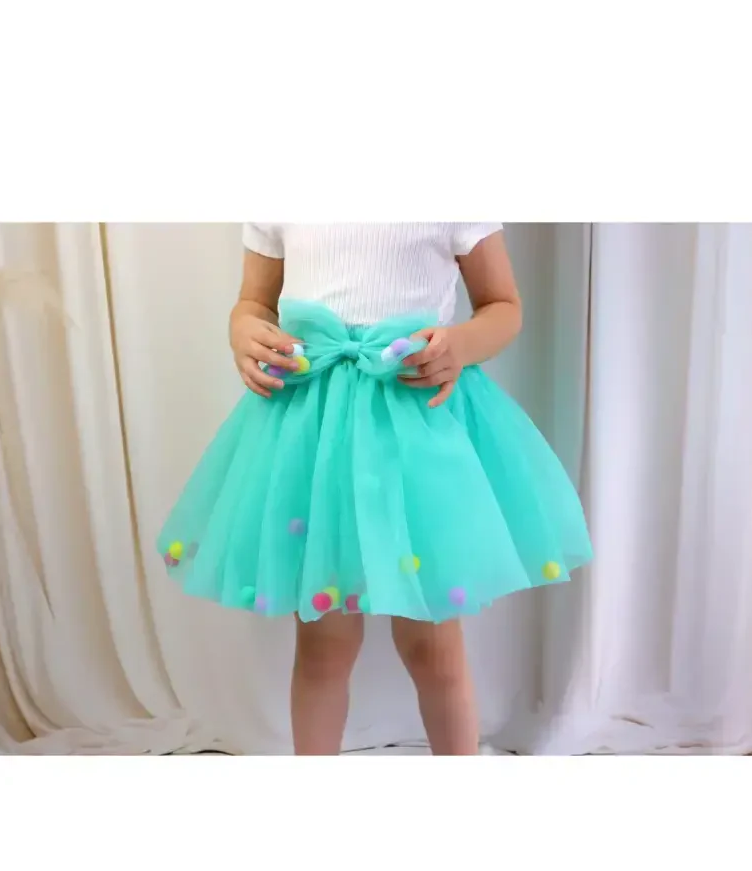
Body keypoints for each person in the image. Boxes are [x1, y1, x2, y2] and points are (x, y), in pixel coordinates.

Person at [158, 224, 592, 755]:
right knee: (323, 645)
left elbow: (503, 306)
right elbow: (254, 301)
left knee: (432, 645)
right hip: (315, 433)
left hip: (414, 431)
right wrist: (244, 329)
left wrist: (459, 344)